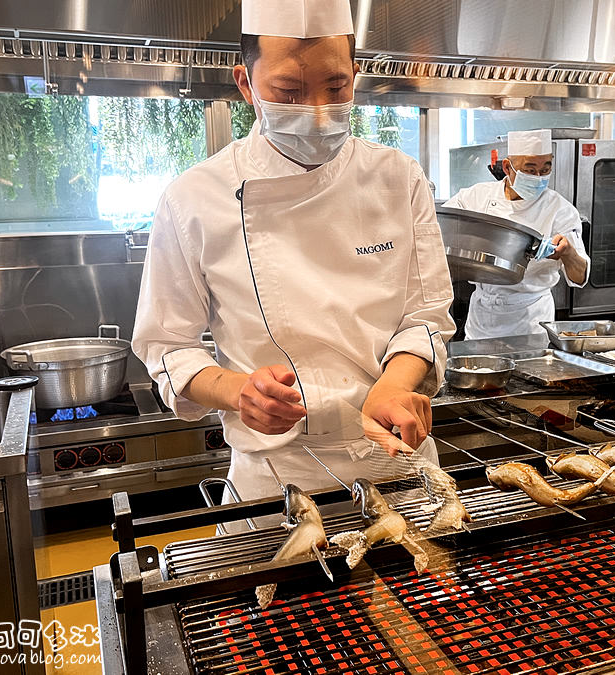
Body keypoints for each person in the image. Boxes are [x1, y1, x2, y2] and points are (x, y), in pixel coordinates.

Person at [132, 0, 456, 518]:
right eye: (288, 93)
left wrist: (393, 387)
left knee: (423, 595)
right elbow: (168, 346)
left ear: (356, 73)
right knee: (284, 599)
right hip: (276, 476)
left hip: (397, 458)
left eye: (336, 87)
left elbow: (426, 317)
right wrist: (241, 392)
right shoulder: (194, 197)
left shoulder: (398, 177)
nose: (319, 113)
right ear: (245, 83)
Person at [444, 129, 591, 340]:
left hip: (530, 322)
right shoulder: (475, 197)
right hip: (482, 320)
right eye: (530, 170)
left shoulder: (560, 209)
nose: (538, 177)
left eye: (545, 170)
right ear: (507, 167)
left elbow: (580, 276)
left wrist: (568, 253)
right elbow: (439, 228)